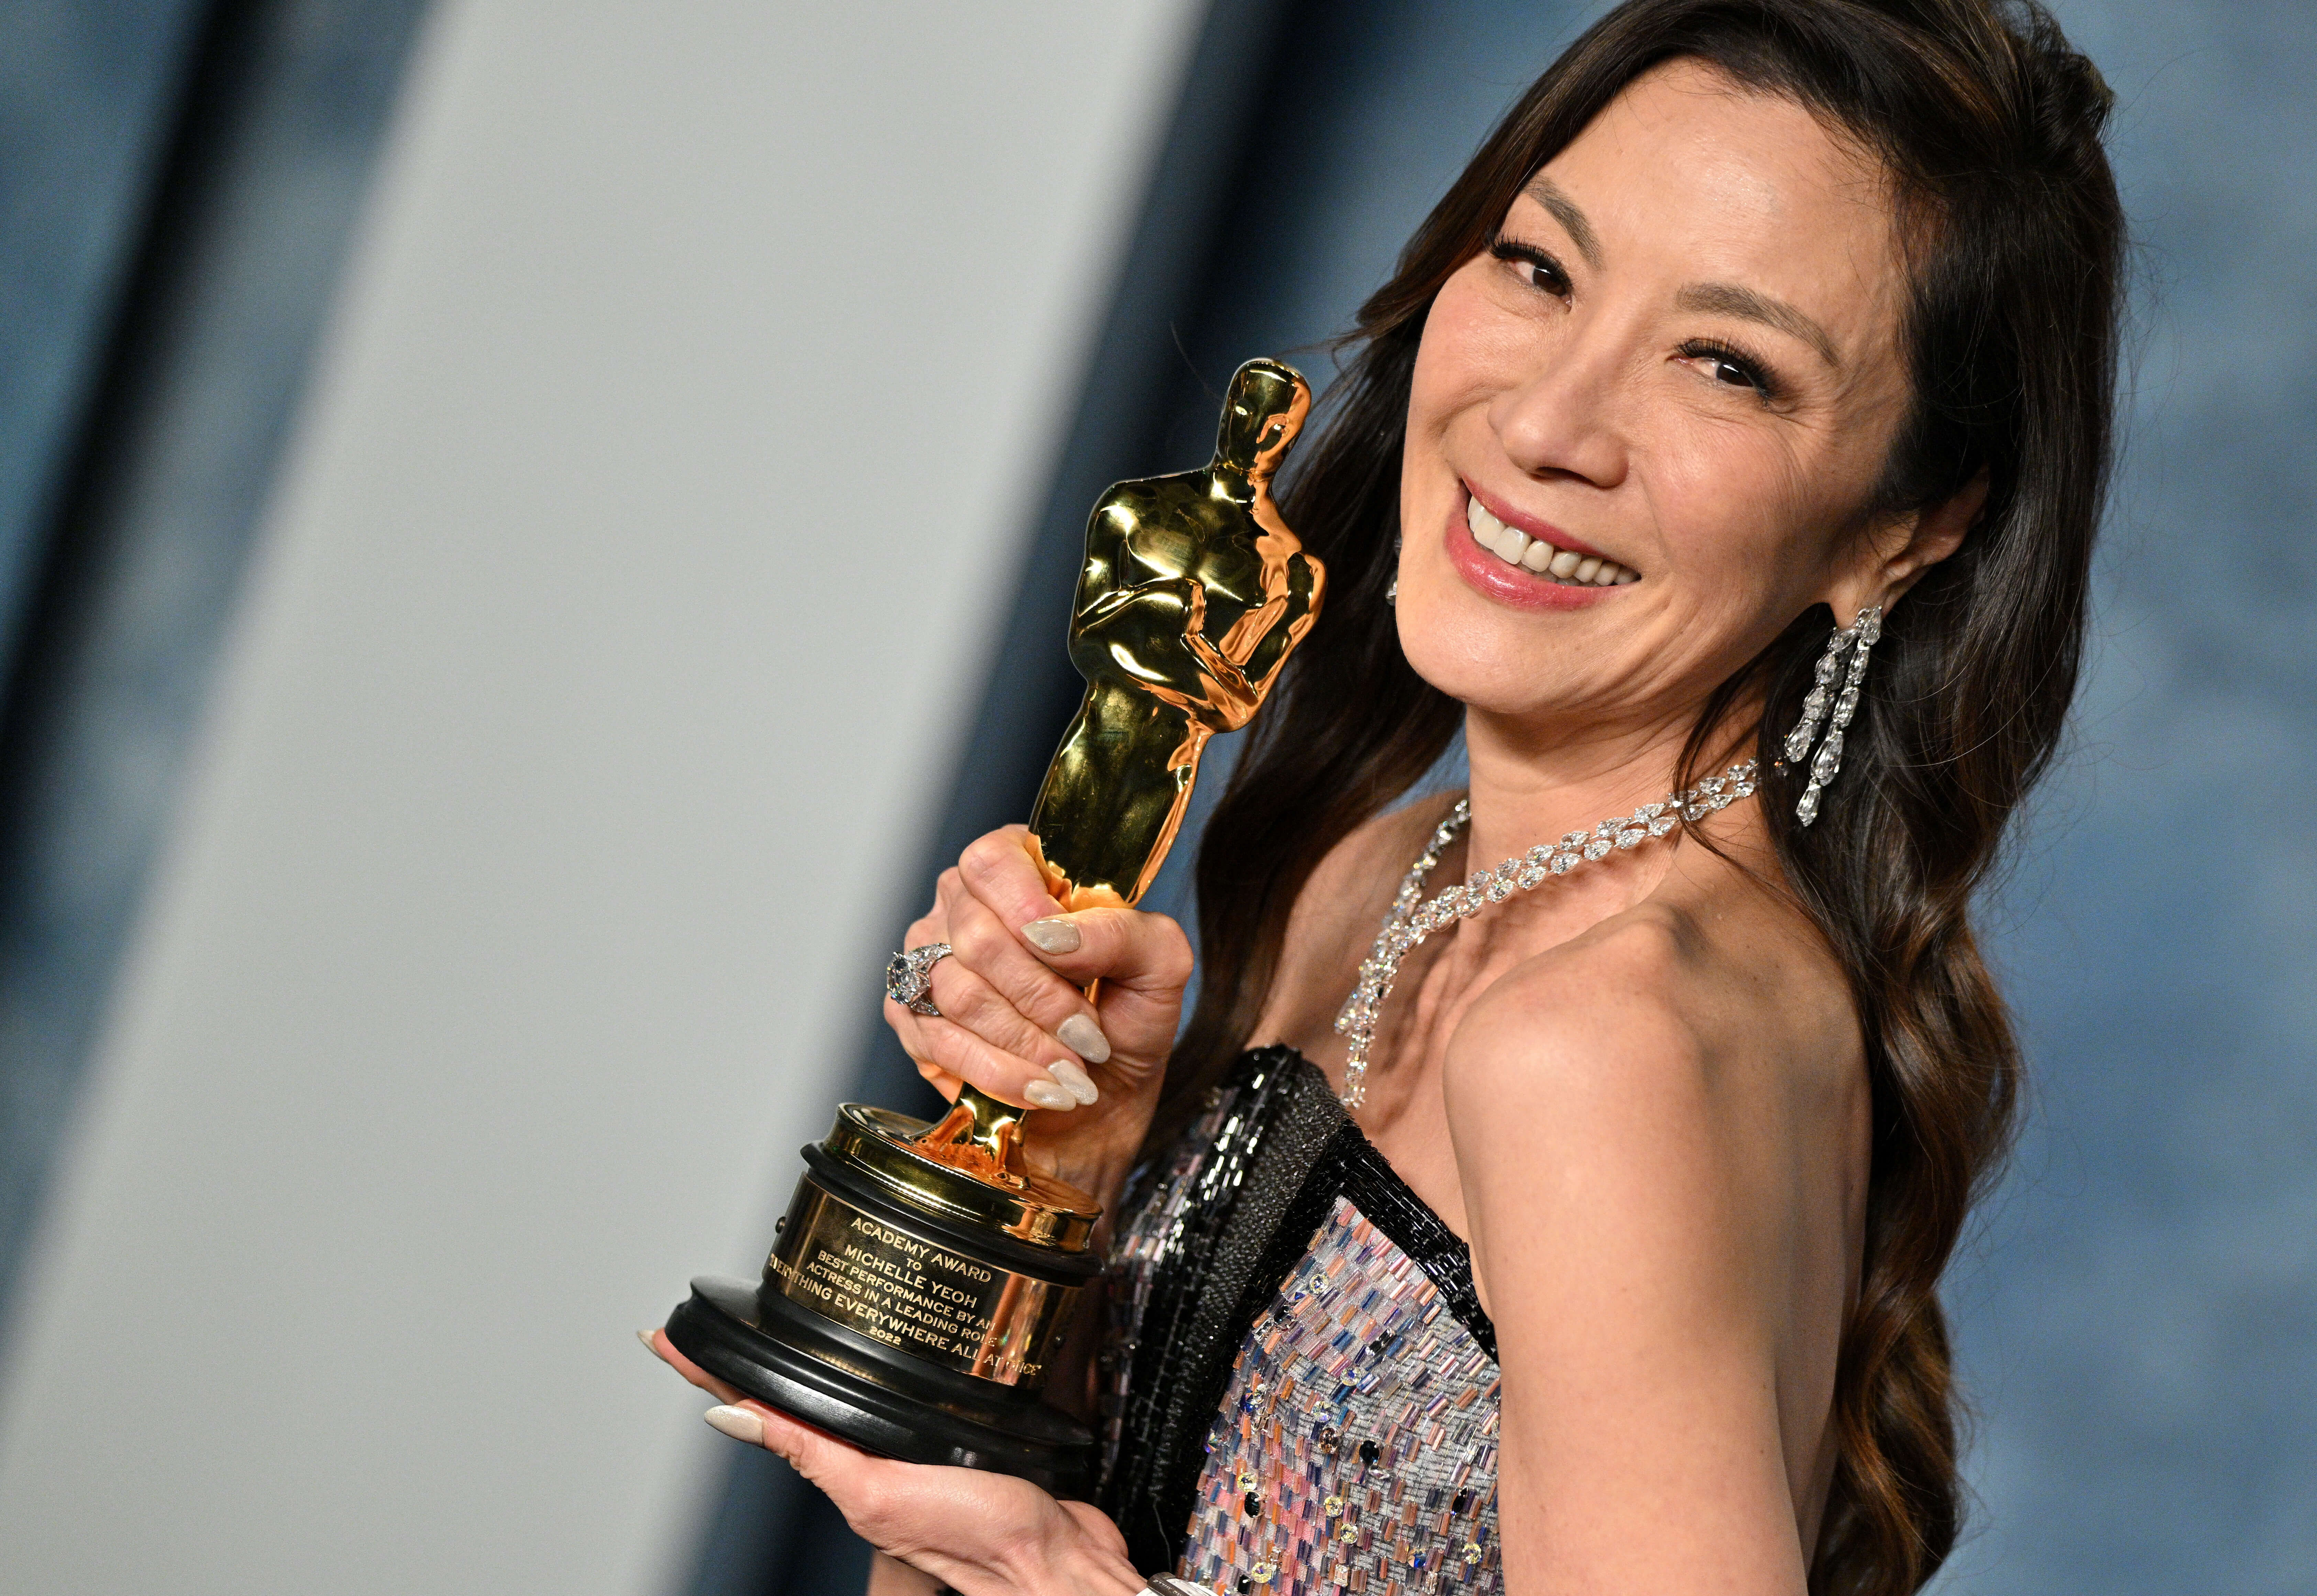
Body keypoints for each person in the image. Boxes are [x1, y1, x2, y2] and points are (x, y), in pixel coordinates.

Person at [650, 2, 2124, 1594]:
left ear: (1905, 529)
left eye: (1726, 365)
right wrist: (1064, 1176)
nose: (1549, 425)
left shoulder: (1603, 1039)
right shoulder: (1388, 873)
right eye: (1540, 268)